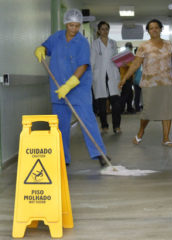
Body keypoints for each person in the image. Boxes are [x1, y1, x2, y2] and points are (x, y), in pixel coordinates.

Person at [34, 9, 108, 166]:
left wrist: (69, 85)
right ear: (66, 24)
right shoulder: (57, 37)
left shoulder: (82, 43)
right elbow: (47, 48)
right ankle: (63, 157)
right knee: (60, 125)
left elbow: (82, 66)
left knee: (87, 120)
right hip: (58, 88)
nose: (74, 29)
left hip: (78, 89)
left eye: (77, 26)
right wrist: (42, 50)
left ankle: (100, 154)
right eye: (71, 25)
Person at [119, 19, 172, 147]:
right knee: (148, 111)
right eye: (151, 28)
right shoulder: (144, 46)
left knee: (167, 110)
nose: (154, 30)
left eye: (157, 27)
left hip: (167, 82)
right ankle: (140, 132)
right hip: (149, 83)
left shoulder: (168, 44)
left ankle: (166, 138)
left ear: (161, 29)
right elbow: (136, 64)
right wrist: (124, 78)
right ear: (148, 31)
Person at [91, 21, 122, 134]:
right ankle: (104, 125)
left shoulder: (113, 43)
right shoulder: (95, 44)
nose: (105, 31)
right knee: (102, 103)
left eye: (106, 29)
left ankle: (117, 126)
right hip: (99, 76)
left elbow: (117, 59)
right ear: (98, 31)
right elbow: (92, 61)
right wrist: (90, 77)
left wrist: (123, 60)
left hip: (112, 74)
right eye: (102, 29)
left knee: (116, 102)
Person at [119, 42, 135, 114]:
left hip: (128, 77)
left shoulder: (126, 55)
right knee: (125, 94)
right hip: (125, 77)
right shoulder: (125, 55)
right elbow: (128, 66)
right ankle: (122, 109)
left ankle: (129, 108)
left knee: (129, 94)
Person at [133, 47, 143, 112]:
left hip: (136, 80)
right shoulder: (143, 60)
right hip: (141, 80)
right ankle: (141, 106)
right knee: (143, 95)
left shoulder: (134, 60)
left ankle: (137, 107)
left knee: (137, 94)